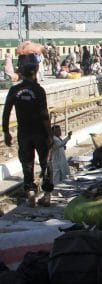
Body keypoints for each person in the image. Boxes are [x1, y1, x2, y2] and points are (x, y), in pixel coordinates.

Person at [2, 64, 52, 207]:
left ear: (21, 74)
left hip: (24, 132)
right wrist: (49, 135)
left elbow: (6, 112)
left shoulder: (14, 90)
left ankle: (30, 191)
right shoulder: (39, 90)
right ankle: (47, 195)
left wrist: (6, 132)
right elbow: (44, 115)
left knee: (27, 163)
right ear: (35, 73)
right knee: (45, 163)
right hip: (40, 133)